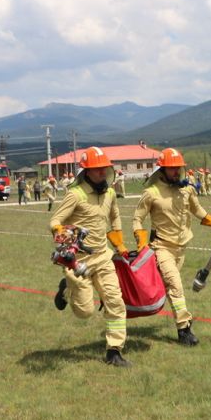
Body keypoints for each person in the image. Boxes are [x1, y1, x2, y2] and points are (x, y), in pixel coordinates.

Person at [132, 148, 211, 346]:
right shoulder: (151, 193)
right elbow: (137, 220)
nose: (176, 172)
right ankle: (184, 329)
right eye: (172, 169)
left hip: (181, 249)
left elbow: (197, 210)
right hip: (161, 248)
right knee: (176, 286)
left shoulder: (187, 189)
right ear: (163, 170)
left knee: (163, 289)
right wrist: (141, 244)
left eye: (178, 168)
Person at [50, 147, 132, 367]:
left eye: (104, 169)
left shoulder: (111, 193)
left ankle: (114, 351)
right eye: (97, 170)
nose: (102, 173)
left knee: (115, 301)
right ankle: (67, 289)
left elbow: (115, 218)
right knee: (85, 312)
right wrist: (63, 237)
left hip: (103, 257)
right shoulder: (75, 194)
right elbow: (55, 221)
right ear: (86, 172)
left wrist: (120, 244)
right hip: (79, 262)